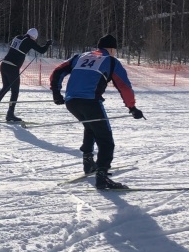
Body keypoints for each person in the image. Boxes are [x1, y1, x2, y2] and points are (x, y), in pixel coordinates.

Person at [49, 34, 145, 189]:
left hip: (71, 101)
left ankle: (88, 163)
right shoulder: (111, 61)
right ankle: (102, 176)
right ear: (112, 49)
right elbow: (124, 86)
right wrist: (132, 108)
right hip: (90, 101)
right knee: (106, 139)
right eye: (115, 49)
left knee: (90, 127)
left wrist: (56, 92)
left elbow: (58, 71)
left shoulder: (80, 56)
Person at [0, 28, 52, 122]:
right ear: (34, 37)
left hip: (4, 64)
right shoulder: (30, 41)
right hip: (13, 67)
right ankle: (10, 114)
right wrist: (48, 44)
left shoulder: (17, 37)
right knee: (15, 91)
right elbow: (42, 51)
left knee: (5, 87)